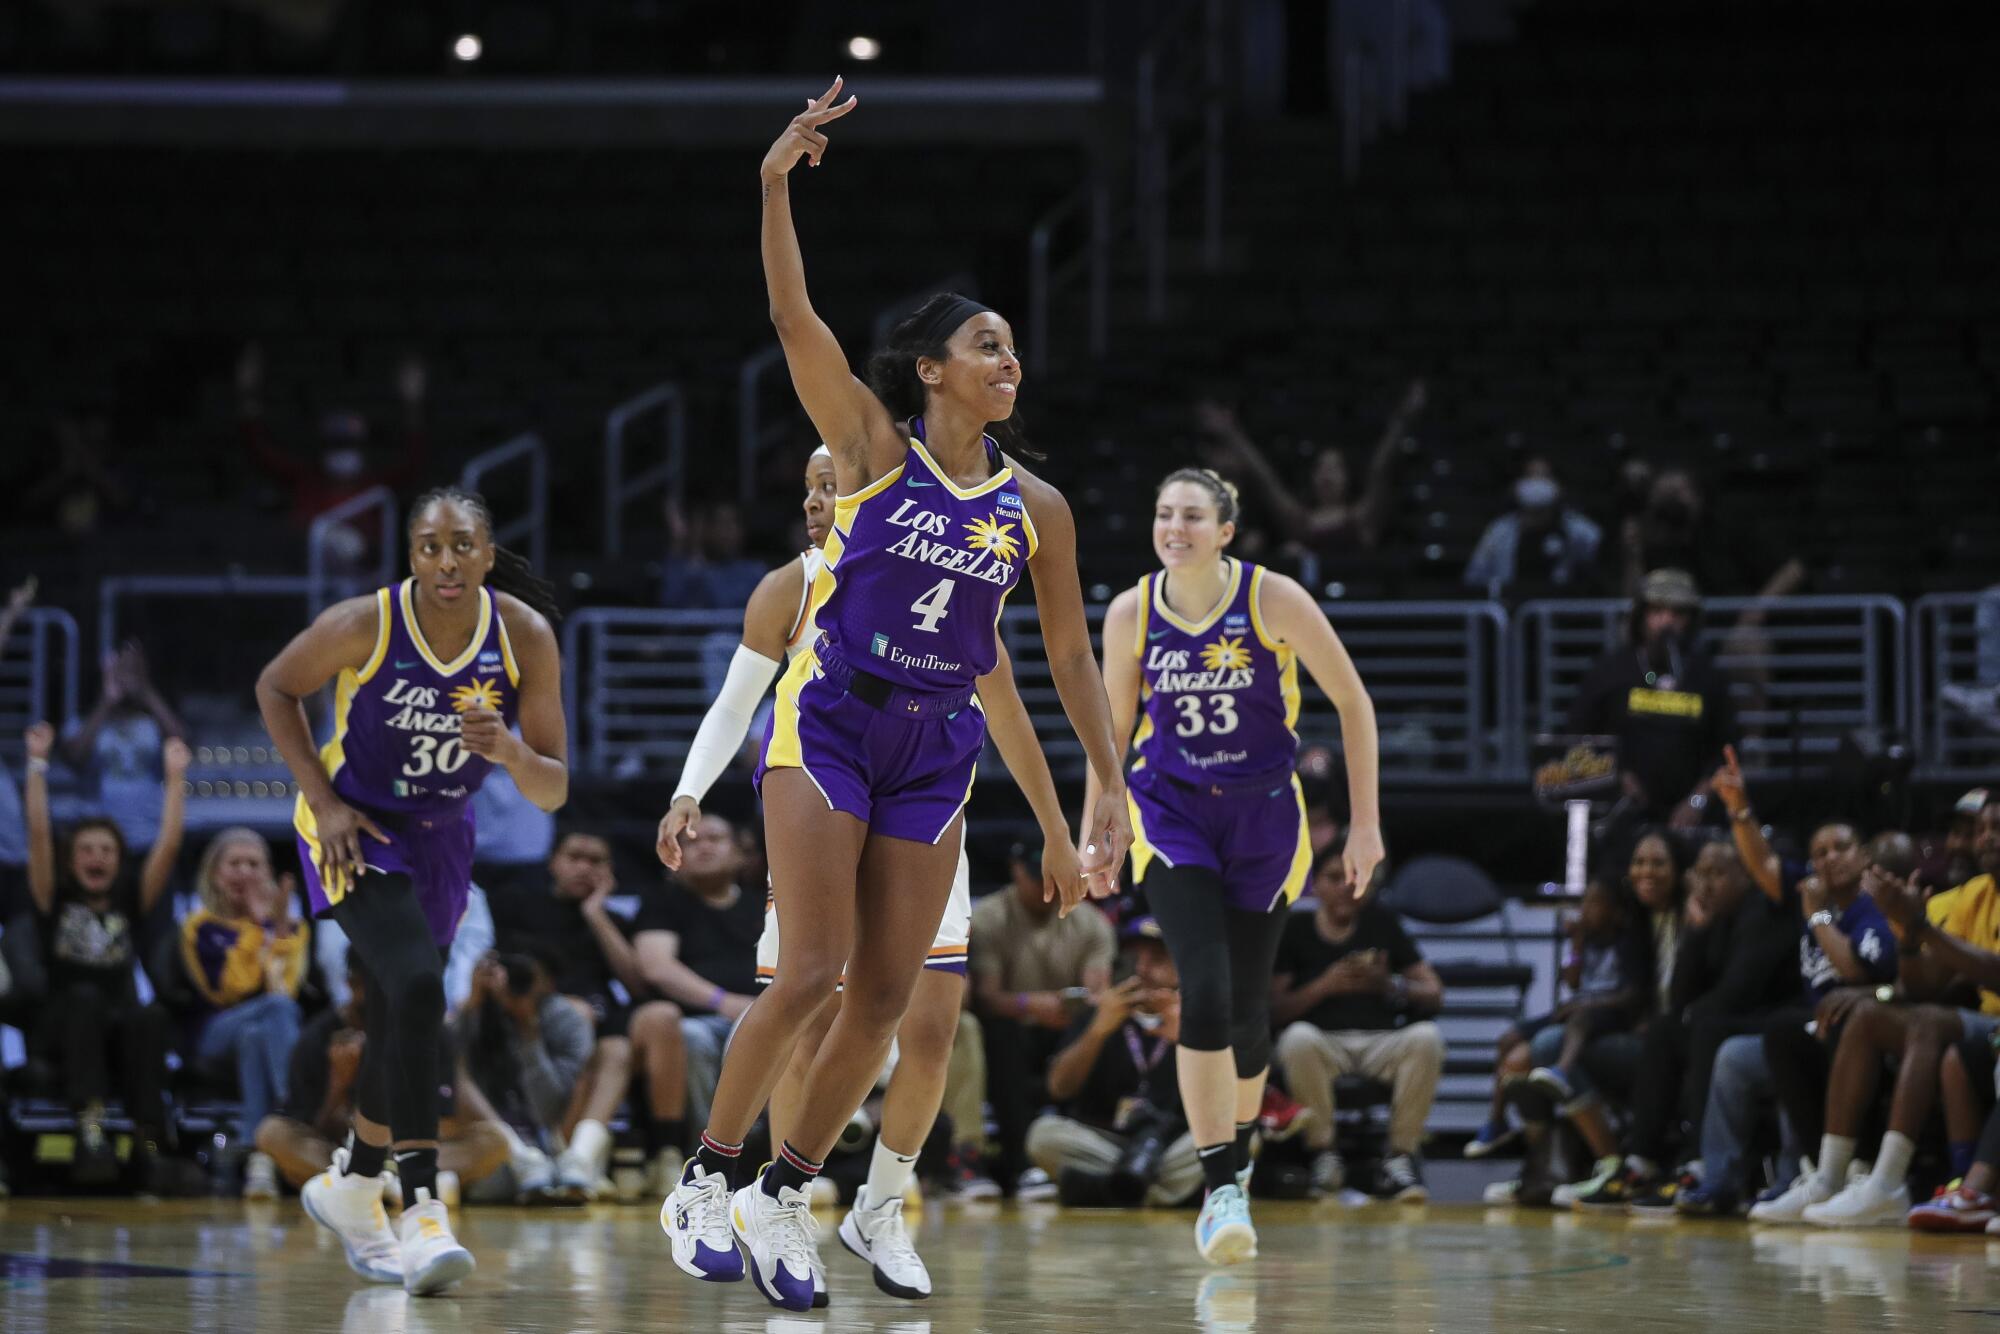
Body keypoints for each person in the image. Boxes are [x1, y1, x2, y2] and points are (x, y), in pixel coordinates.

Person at [658, 78, 1131, 1315]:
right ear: (930, 369)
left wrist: (1103, 790)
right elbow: (788, 310)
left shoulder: (1038, 510)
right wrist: (771, 184)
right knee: (809, 968)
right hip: (829, 722)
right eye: (984, 343)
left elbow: (1070, 660)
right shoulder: (869, 449)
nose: (1007, 356)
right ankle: (702, 1176)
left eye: (1011, 345)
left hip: (937, 746)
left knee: (889, 993)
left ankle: (783, 1189)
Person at [657, 445, 1074, 1305]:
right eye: (808, 487)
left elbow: (1007, 705)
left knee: (923, 1026)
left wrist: (1056, 823)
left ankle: (877, 1207)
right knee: (809, 1000)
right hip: (827, 789)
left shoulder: (952, 578)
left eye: (831, 483)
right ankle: (752, 1195)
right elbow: (735, 703)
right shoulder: (794, 586)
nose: (819, 499)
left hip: (923, 798)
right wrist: (690, 789)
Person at [256, 485, 567, 1295]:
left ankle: (353, 1185)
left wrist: (508, 750)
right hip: (353, 828)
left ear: (487, 556)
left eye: (462, 544)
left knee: (403, 1008)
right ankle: (422, 1206)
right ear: (412, 558)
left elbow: (554, 788)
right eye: (430, 546)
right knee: (422, 986)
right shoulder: (366, 622)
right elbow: (276, 688)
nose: (446, 561)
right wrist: (323, 804)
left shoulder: (525, 637)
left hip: (440, 835)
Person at [1081, 464, 1384, 1266]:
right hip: (1170, 809)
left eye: (1190, 516)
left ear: (1224, 531)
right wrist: (1097, 828)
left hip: (1264, 818)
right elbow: (1110, 730)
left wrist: (1363, 827)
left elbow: (1354, 703)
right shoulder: (1129, 612)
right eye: (1162, 513)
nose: (1173, 527)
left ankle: (1234, 1166)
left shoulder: (1272, 598)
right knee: (1205, 990)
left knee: (1249, 1013)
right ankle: (1220, 1186)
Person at [1754, 800, 2000, 1226]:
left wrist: (1915, 930)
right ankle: (1830, 1175)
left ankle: (1887, 1180)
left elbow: (1987, 973)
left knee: (1916, 1022)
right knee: (1857, 1018)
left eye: (1996, 827)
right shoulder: (1973, 896)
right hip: (1972, 1023)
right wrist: (1908, 937)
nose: (1986, 837)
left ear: (1863, 855)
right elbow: (1922, 985)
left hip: (1984, 1022)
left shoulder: (1861, 908)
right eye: (1982, 828)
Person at [1672, 783, 1898, 1217]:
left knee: (1788, 1040)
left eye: (1841, 848)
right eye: (1820, 852)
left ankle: (1803, 1173)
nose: (1830, 858)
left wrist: (1817, 915)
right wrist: (1739, 808)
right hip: (1816, 1024)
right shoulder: (1814, 896)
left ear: (1864, 855)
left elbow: (1854, 970)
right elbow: (1762, 862)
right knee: (1735, 1058)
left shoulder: (1872, 908)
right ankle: (1719, 1179)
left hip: (1859, 1030)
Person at [1571, 834, 1802, 1209]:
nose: (1706, 884)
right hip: (1733, 1021)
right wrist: (1696, 932)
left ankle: (1701, 1162)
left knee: (1705, 1028)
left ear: (1745, 875)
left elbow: (1737, 993)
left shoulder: (1763, 912)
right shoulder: (1717, 917)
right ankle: (1640, 1161)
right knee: (1666, 1028)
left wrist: (1694, 1013)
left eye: (1718, 874)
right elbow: (1681, 999)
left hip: (1776, 1023)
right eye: (1701, 873)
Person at [22, 721, 186, 1188]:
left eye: (107, 850)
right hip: (61, 1021)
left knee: (149, 1015)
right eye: (87, 849)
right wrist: (37, 765)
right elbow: (37, 835)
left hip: (115, 1024)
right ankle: (89, 1131)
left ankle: (148, 1141)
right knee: (86, 999)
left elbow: (169, 845)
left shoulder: (130, 897)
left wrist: (174, 778)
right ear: (71, 858)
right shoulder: (52, 897)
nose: (97, 857)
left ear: (118, 859)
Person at [1272, 838, 1445, 1200]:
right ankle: (1324, 1153)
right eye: (1334, 878)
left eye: (1354, 877)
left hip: (1380, 1041)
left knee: (1426, 1038)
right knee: (1297, 1039)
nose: (1345, 888)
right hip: (1323, 1042)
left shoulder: (1382, 923)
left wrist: (1391, 984)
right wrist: (1324, 986)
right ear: (1315, 883)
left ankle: (1400, 1157)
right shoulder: (1295, 928)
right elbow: (1275, 1009)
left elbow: (1433, 991)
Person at [255, 957, 510, 1200]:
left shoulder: (430, 1033)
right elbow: (314, 1128)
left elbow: (444, 1121)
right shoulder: (318, 1038)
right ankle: (406, 1186)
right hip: (341, 1153)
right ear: (353, 984)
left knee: (495, 1141)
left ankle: (377, 1185)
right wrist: (338, 1086)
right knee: (272, 1132)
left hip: (411, 1152)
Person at [485, 830, 637, 1200]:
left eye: (596, 860)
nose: (585, 867)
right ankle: (563, 1151)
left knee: (617, 1050)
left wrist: (595, 914)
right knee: (577, 1017)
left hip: (596, 1022)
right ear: (553, 862)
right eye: (575, 857)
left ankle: (577, 1157)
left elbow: (637, 981)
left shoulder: (611, 918)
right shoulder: (518, 905)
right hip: (530, 1014)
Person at [1465, 874, 1651, 1176]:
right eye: (1584, 902)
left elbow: (1634, 994)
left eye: (1594, 903)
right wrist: (1576, 942)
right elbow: (1572, 980)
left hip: (1608, 1013)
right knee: (1509, 1042)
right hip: (1582, 1008)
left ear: (1616, 912)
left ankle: (1563, 1070)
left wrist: (1587, 1003)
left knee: (1568, 1024)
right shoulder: (1587, 939)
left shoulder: (1627, 942)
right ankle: (1499, 1123)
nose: (1586, 909)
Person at [970, 843, 1120, 1198]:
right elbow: (985, 998)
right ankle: (1021, 1163)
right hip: (1011, 1028)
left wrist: (1079, 1005)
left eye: (1053, 875)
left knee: (1104, 1027)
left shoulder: (1091, 923)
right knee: (999, 1036)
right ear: (1015, 870)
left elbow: (1098, 992)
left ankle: (1094, 1147)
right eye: (1037, 877)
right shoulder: (989, 917)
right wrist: (1029, 1005)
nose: (1045, 886)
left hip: (1069, 1027)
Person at [1026, 918, 1202, 1208]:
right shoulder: (1098, 1013)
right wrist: (1098, 1031)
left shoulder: (1199, 1018)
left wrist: (1188, 1042)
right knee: (1042, 1135)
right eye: (1134, 959)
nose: (1143, 969)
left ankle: (1108, 1192)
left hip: (1171, 1143)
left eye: (1157, 959)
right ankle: (1157, 1194)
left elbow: (1226, 1102)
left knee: (1237, 1136)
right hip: (1106, 1140)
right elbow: (1058, 1088)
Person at [631, 813, 763, 1190]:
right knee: (693, 1037)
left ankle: (765, 1154)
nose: (703, 846)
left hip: (760, 1017)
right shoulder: (664, 903)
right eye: (691, 841)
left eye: (715, 838)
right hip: (697, 1020)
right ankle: (711, 1155)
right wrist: (724, 1003)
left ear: (740, 853)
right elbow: (656, 967)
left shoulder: (765, 906)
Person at [179, 828, 310, 1200]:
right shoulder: (200, 926)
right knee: (274, 1011)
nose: (245, 873)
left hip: (262, 1032)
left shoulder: (293, 927)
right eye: (234, 864)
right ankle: (297, 1112)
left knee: (259, 1034)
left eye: (254, 864)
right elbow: (228, 989)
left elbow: (287, 988)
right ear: (215, 873)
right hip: (212, 1033)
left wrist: (278, 930)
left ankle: (260, 1158)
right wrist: (258, 929)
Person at [1564, 568, 1739, 831]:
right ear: (1640, 617)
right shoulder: (1611, 671)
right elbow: (1578, 736)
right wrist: (1617, 776)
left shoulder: (1707, 676)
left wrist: (1698, 800)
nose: (1666, 622)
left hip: (1692, 819)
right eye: (1657, 611)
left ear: (1692, 620)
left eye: (1677, 613)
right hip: (1623, 812)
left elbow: (1727, 752)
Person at [1195, 381, 1425, 573]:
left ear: (1347, 477)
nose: (1327, 476)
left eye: (1334, 469)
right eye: (1321, 469)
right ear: (1312, 478)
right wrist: (1232, 433)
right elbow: (1264, 478)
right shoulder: (1299, 521)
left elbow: (1380, 469)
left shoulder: (1362, 519)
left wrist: (1403, 420)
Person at [449, 947, 605, 1205]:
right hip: (494, 1145)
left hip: (555, 1142)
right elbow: (439, 1068)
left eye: (525, 978)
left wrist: (528, 1030)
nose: (514, 986)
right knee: (453, 1070)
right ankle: (518, 1154)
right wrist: (471, 1005)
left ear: (548, 981)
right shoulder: (476, 1013)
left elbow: (549, 1109)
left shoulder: (565, 1017)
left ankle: (573, 1161)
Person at [61, 639, 187, 852]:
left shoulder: (153, 722)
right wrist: (107, 700)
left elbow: (181, 744)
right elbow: (75, 758)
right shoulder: (84, 721)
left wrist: (146, 691)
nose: (127, 675)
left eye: (133, 668)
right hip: (99, 840)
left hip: (150, 836)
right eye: (121, 668)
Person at [1462, 457, 1604, 600]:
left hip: (1556, 608)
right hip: (1512, 606)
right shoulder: (1499, 530)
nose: (1537, 485)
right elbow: (1474, 576)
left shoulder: (1573, 527)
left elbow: (1594, 542)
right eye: (1531, 477)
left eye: (1543, 477)